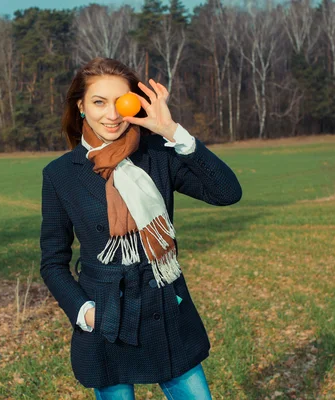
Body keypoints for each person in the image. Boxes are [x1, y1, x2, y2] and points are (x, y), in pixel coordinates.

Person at [40, 57, 242, 399]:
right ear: (81, 107)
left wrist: (174, 132)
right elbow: (52, 262)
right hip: (108, 322)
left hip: (164, 310)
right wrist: (85, 312)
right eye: (99, 102)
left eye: (121, 102)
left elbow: (226, 192)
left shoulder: (156, 155)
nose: (112, 115)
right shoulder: (61, 175)